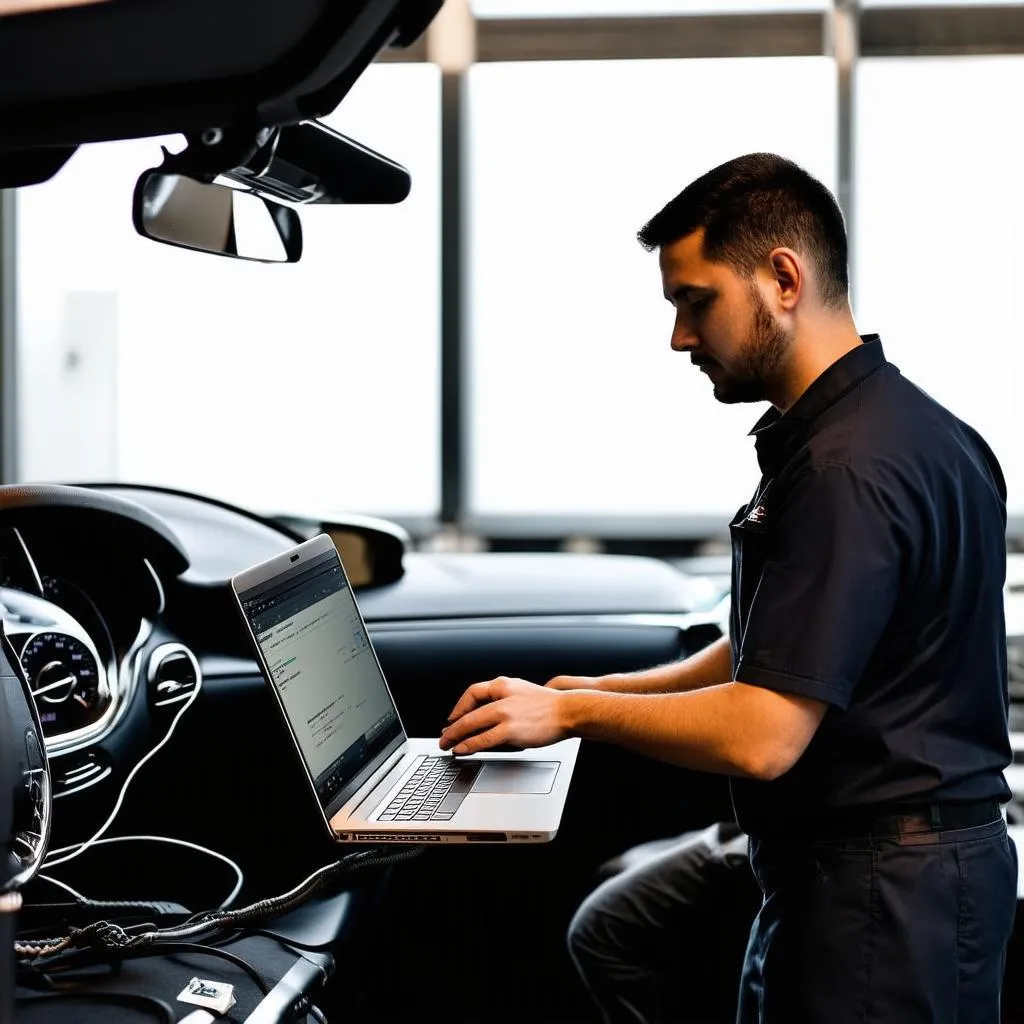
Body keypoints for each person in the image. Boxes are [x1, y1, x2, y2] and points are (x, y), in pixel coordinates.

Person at [439, 152, 1018, 1024]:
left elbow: (766, 735)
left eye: (694, 300)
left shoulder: (845, 469)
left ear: (783, 278)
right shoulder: (913, 430)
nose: (678, 337)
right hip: (889, 876)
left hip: (882, 900)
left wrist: (575, 718)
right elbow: (785, 652)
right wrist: (587, 691)